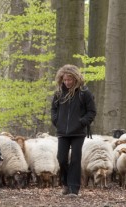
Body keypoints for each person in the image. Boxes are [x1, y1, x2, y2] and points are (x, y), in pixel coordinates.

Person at [50, 64, 96, 197]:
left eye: (69, 80)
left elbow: (91, 112)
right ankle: (65, 183)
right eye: (65, 80)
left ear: (75, 78)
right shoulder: (59, 93)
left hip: (78, 132)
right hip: (62, 132)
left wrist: (82, 122)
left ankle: (74, 188)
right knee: (61, 158)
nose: (67, 82)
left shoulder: (84, 93)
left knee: (76, 158)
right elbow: (53, 109)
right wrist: (56, 120)